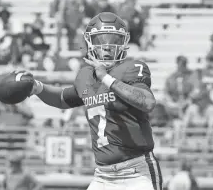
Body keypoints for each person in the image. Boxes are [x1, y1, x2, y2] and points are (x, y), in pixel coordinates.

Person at [14, 12, 162, 190]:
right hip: (103, 175)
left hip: (136, 172)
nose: (107, 47)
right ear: (90, 43)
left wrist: (107, 78)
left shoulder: (132, 68)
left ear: (123, 43)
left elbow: (147, 102)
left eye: (114, 40)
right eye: (101, 40)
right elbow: (63, 98)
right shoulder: (85, 75)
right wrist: (37, 88)